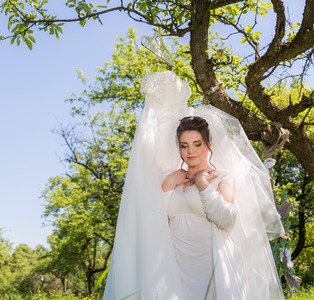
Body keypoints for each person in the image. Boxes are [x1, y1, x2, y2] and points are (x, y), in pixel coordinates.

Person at [103, 71, 285, 300]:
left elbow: (227, 219)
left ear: (209, 144)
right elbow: (151, 221)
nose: (190, 152)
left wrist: (203, 185)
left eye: (197, 144)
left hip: (213, 265)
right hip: (174, 268)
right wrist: (168, 184)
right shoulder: (174, 179)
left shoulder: (222, 178)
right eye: (184, 146)